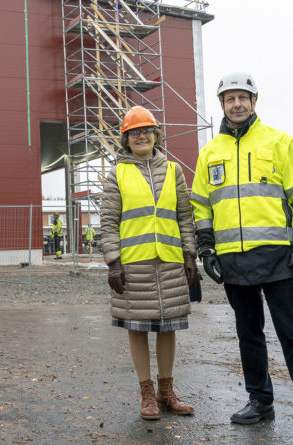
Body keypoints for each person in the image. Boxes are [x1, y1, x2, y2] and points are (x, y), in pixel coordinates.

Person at [190, 73, 293, 444]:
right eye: (229, 98)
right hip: (234, 261)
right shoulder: (209, 152)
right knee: (248, 336)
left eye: (243, 97)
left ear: (254, 101)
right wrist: (206, 248)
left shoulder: (280, 142)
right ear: (221, 105)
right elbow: (201, 205)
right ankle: (259, 400)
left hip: (279, 259)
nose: (236, 104)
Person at [101, 106, 199, 420]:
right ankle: (146, 394)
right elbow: (108, 222)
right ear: (125, 139)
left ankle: (166, 390)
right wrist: (113, 262)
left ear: (156, 135)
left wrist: (189, 254)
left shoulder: (173, 171)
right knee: (138, 328)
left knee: (169, 326)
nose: (141, 136)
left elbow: (185, 216)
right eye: (134, 132)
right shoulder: (117, 173)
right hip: (134, 264)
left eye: (147, 130)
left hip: (169, 262)